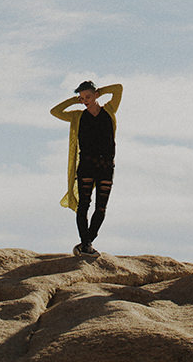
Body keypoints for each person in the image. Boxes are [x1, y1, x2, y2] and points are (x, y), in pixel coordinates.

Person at [49, 80, 122, 255]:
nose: (85, 100)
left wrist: (99, 92)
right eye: (82, 98)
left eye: (88, 96)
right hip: (87, 166)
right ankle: (86, 245)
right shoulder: (77, 116)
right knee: (84, 205)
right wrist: (74, 101)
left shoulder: (109, 110)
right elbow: (55, 111)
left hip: (106, 166)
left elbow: (118, 89)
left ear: (96, 95)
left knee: (101, 208)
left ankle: (86, 243)